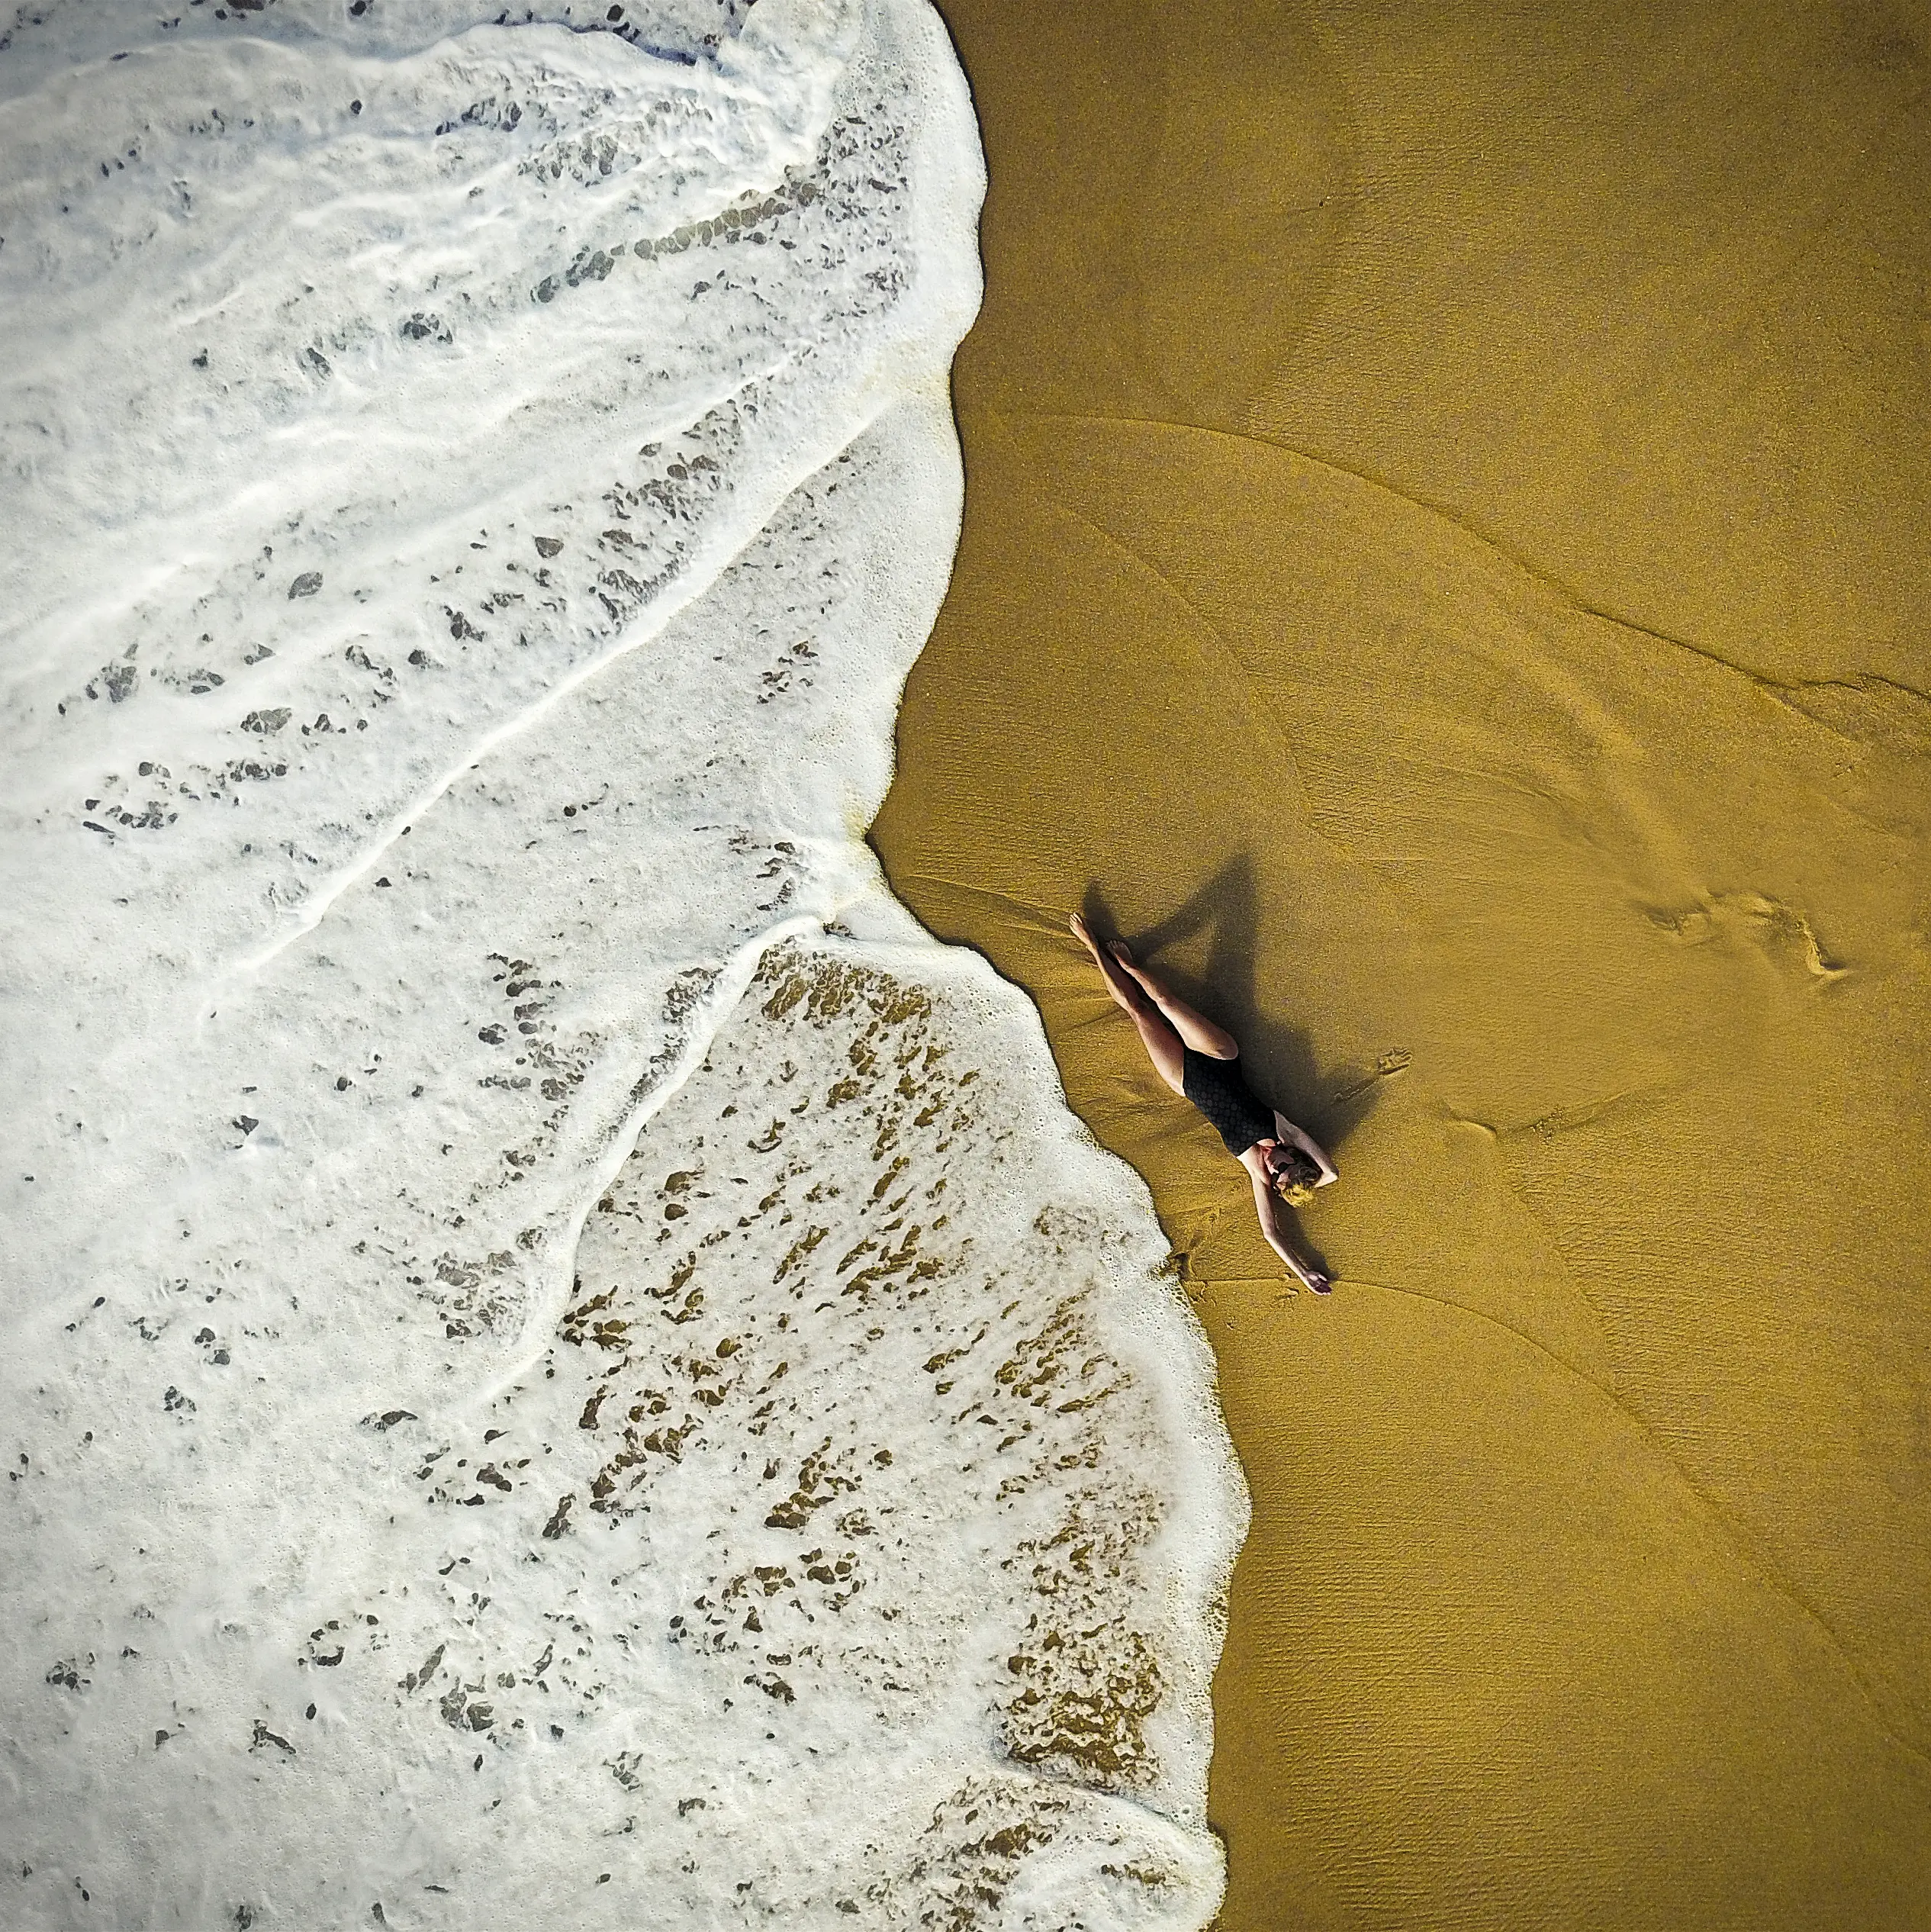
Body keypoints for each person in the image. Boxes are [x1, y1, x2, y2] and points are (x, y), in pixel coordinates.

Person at [1070, 913, 1338, 1293]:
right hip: (1218, 1056)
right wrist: (1311, 1180)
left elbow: (1271, 1233)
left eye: (1279, 1177)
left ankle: (1093, 948)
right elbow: (1331, 1174)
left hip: (1187, 1081)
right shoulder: (1285, 1131)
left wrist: (1303, 1271)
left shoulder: (1257, 1173)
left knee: (1138, 1012)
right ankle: (1130, 965)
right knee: (1163, 1000)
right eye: (1288, 1167)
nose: (1277, 1168)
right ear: (1296, 1158)